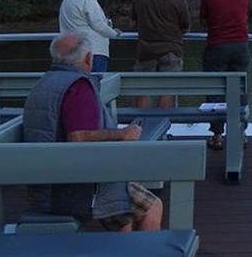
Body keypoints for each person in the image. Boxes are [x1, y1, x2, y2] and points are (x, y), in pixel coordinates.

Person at [22, 32, 163, 232]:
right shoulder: (78, 87)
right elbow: (78, 137)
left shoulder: (43, 83)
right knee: (152, 207)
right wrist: (122, 134)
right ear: (88, 59)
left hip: (43, 184)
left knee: (124, 215)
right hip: (71, 189)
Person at [199, 0, 250, 150]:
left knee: (215, 90)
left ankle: (217, 136)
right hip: (240, 46)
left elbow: (203, 19)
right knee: (241, 90)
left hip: (217, 46)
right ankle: (240, 132)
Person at [131, 0, 191, 108]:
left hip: (145, 51)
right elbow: (185, 26)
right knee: (167, 91)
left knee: (142, 91)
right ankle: (161, 127)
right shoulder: (178, 0)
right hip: (171, 53)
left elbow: (133, 22)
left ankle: (141, 127)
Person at [58, 0, 122, 72]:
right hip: (93, 52)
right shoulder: (89, 0)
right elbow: (98, 24)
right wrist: (114, 34)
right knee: (95, 82)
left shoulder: (66, 1)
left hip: (71, 52)